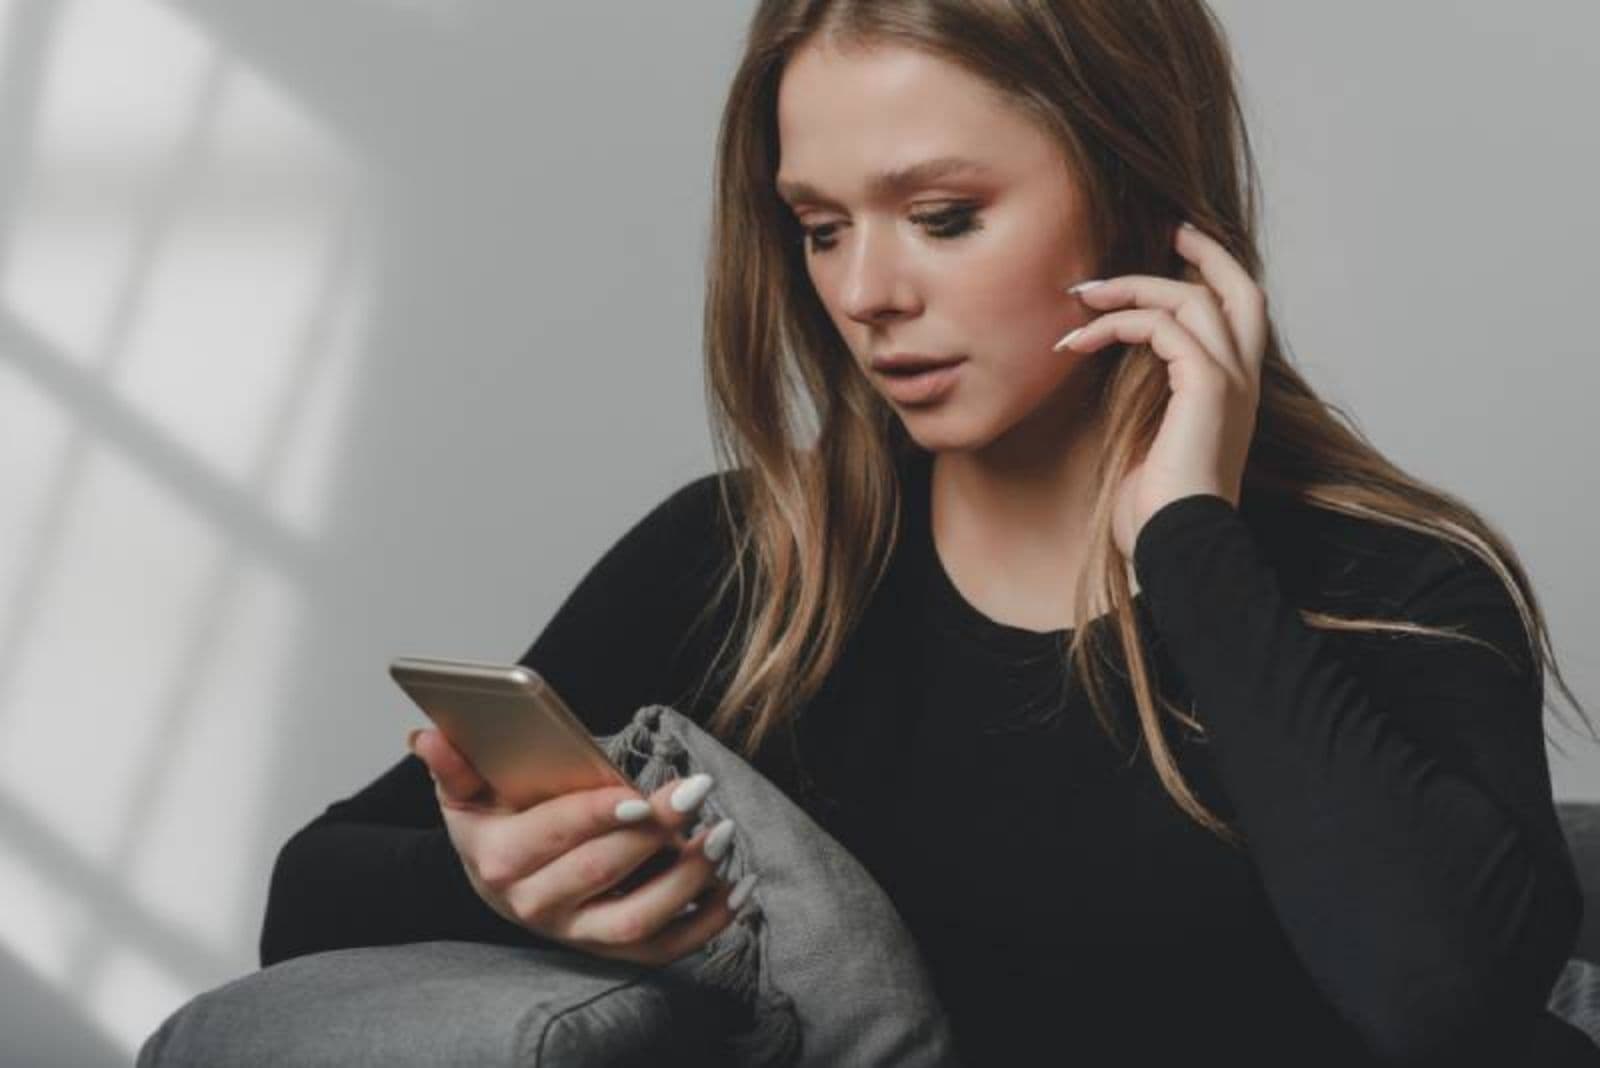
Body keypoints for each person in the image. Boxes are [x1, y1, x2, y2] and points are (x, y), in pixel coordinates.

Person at [259, 1, 1598, 1063]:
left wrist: (1187, 535)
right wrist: (502, 891)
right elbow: (305, 891)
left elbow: (1444, 1009)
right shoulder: (754, 563)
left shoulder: (1398, 585)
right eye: (820, 227)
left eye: (943, 218)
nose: (864, 292)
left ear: (1136, 194)